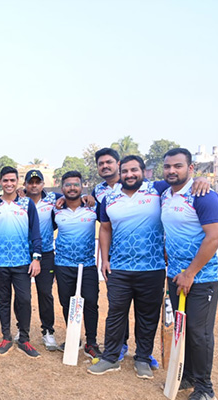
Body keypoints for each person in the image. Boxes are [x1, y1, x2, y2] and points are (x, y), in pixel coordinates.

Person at [88, 155, 167, 379]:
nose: (129, 175)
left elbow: (182, 182)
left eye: (134, 170)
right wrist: (105, 259)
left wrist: (201, 180)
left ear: (143, 171)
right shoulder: (109, 198)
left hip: (152, 267)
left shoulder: (158, 190)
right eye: (125, 171)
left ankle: (142, 358)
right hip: (119, 268)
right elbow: (105, 229)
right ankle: (110, 357)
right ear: (120, 173)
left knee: (147, 315)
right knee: (115, 314)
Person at [161, 148, 218, 400]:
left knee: (199, 333)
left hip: (202, 277)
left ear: (191, 168)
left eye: (178, 166)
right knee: (182, 329)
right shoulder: (165, 193)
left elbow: (214, 237)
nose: (172, 170)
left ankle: (205, 389)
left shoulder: (203, 195)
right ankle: (186, 376)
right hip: (176, 275)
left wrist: (191, 273)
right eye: (167, 166)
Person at [0, 166, 42, 358]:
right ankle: (6, 337)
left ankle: (24, 339)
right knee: (3, 301)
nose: (9, 184)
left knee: (24, 299)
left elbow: (35, 232)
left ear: (18, 182)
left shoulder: (26, 204)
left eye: (12, 180)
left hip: (22, 261)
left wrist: (36, 258)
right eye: (5, 180)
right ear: (0, 182)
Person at [52, 171, 101, 360]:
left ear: (82, 187)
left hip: (87, 264)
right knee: (67, 303)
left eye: (76, 184)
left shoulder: (93, 207)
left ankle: (91, 342)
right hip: (63, 264)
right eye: (68, 185)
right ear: (62, 188)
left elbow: (108, 226)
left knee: (91, 303)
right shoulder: (55, 209)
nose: (72, 188)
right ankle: (74, 338)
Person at [24, 169, 60, 351]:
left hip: (45, 254)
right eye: (30, 182)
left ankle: (48, 331)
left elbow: (73, 196)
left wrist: (87, 198)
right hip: (23, 254)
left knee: (45, 293)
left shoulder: (53, 199)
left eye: (37, 182)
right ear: (25, 185)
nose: (34, 185)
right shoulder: (19, 200)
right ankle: (22, 330)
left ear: (43, 184)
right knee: (23, 295)